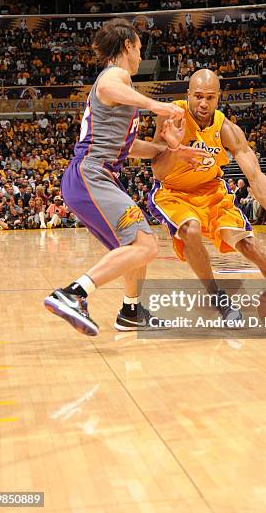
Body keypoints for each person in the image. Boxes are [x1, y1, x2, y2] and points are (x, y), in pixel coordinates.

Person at [44, 19, 204, 336]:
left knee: (137, 243)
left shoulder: (123, 89)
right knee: (146, 245)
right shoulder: (116, 77)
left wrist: (172, 150)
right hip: (92, 173)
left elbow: (131, 148)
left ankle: (131, 311)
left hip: (96, 175)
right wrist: (157, 105)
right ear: (128, 45)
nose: (140, 56)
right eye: (139, 48)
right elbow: (106, 86)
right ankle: (72, 294)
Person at [148, 69, 266, 323]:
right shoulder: (171, 117)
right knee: (190, 229)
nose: (203, 103)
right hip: (174, 192)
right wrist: (175, 148)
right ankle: (217, 297)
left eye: (210, 98)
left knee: (249, 244)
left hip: (212, 191)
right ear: (188, 94)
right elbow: (158, 171)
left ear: (219, 98)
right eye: (198, 96)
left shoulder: (227, 129)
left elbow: (255, 175)